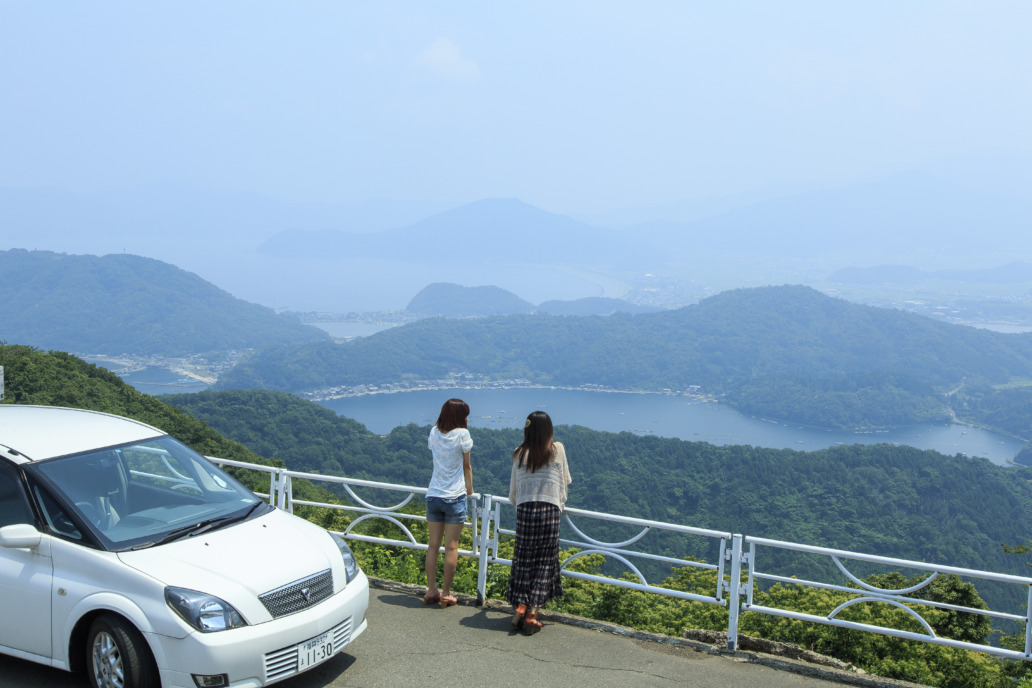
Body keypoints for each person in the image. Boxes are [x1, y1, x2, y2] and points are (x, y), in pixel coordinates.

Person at [507, 410, 572, 635]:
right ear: (548, 431)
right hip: (549, 512)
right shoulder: (558, 450)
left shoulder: (519, 454)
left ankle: (520, 606)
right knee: (545, 560)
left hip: (525, 511)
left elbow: (514, 493)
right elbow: (565, 482)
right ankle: (533, 612)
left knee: (524, 559)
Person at [424, 398, 474, 608]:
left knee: (433, 546)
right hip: (455, 496)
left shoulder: (434, 432)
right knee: (451, 547)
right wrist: (469, 491)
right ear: (459, 416)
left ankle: (431, 590)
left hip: (433, 495)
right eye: (465, 414)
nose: (468, 418)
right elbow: (467, 466)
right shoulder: (462, 435)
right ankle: (446, 593)